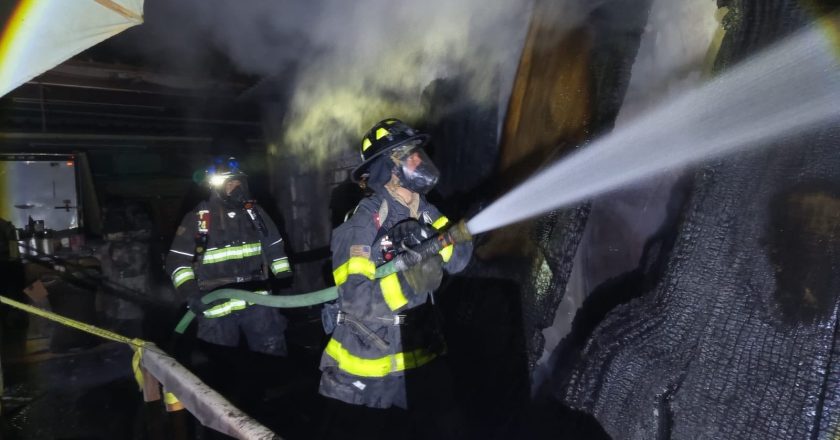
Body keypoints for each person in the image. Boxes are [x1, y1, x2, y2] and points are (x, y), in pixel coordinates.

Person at [318, 119, 473, 438]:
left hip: (422, 355)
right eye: (408, 154)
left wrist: (463, 234)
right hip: (371, 369)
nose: (419, 160)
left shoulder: (426, 210)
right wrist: (409, 282)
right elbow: (356, 300)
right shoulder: (364, 222)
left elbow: (458, 261)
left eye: (418, 152)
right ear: (388, 168)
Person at [165, 156, 292, 356]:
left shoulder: (255, 213)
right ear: (217, 187)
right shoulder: (199, 218)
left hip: (256, 299)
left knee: (272, 353)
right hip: (216, 305)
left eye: (238, 182)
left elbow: (274, 245)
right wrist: (190, 293)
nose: (235, 188)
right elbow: (177, 262)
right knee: (221, 361)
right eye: (229, 183)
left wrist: (283, 273)